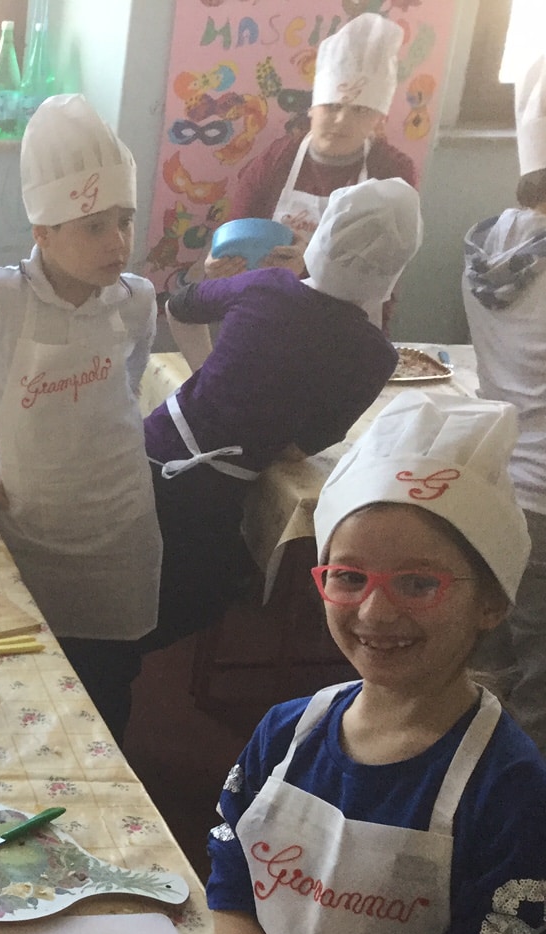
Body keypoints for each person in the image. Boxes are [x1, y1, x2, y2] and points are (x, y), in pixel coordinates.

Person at [205, 392, 546, 934]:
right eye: (348, 576)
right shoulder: (290, 731)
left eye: (419, 583)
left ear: (491, 601)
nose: (375, 611)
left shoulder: (511, 789)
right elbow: (230, 898)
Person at [0, 94, 160, 741]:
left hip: (120, 532)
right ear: (44, 232)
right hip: (32, 529)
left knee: (108, 688)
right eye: (94, 226)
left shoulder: (136, 301)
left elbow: (124, 391)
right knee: (20, 685)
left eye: (123, 221)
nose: (118, 241)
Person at [143, 177, 421, 651]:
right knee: (195, 601)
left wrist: (211, 374)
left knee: (133, 579)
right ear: (396, 268)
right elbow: (295, 449)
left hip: (149, 449)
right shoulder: (376, 355)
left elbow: (179, 306)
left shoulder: (267, 285)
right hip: (215, 493)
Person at [462, 52, 546, 753]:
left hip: (498, 481)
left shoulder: (491, 243)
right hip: (545, 498)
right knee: (541, 681)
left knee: (493, 659)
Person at [206, 12, 416, 281]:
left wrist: (307, 268)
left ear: (378, 118)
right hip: (267, 301)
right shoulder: (277, 158)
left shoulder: (393, 174)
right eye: (332, 107)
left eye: (360, 111)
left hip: (345, 315)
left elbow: (383, 271)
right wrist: (218, 264)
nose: (341, 121)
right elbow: (234, 232)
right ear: (312, 109)